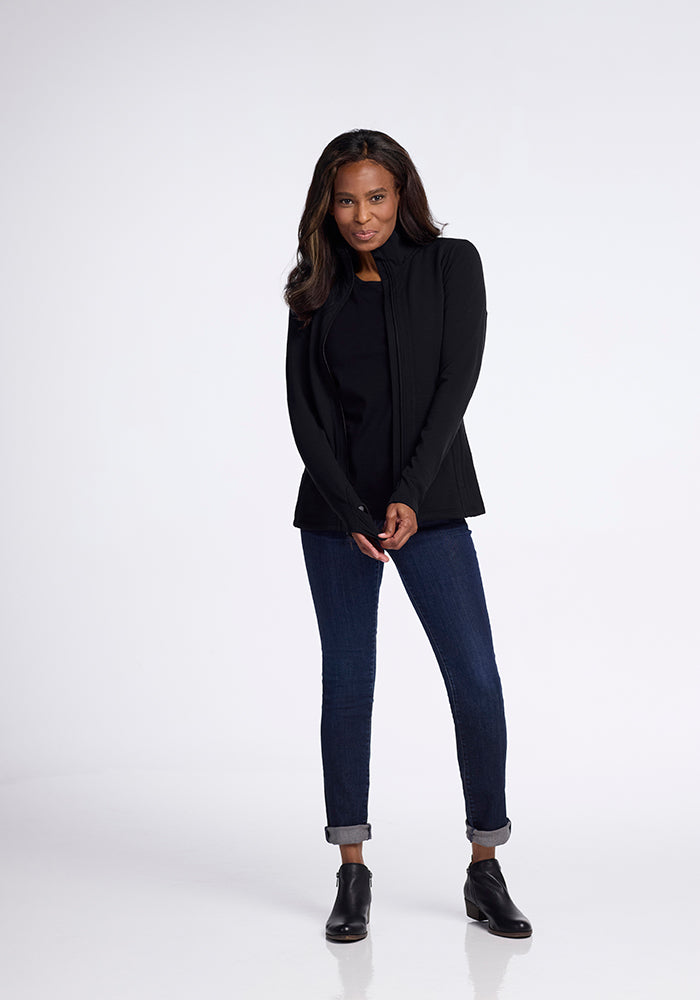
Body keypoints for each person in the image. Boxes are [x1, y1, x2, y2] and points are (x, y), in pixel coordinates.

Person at [284, 128, 532, 941]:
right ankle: (351, 872)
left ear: (403, 195)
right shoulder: (313, 286)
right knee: (348, 687)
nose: (362, 216)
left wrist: (411, 496)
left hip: (430, 505)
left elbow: (455, 385)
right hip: (337, 515)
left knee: (476, 679)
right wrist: (355, 512)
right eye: (347, 200)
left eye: (377, 198)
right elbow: (306, 416)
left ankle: (484, 866)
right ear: (330, 203)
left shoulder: (452, 264)